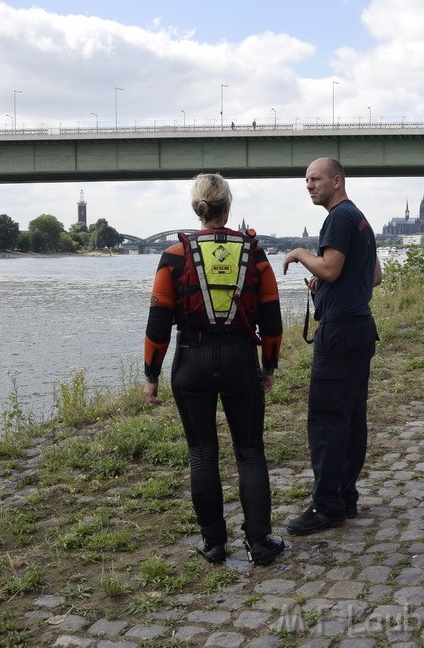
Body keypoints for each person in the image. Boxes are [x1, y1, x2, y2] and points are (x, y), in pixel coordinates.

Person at [143, 173, 286, 566]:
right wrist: (268, 365)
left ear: (197, 208)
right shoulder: (254, 253)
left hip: (192, 362)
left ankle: (213, 544)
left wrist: (151, 377)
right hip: (241, 359)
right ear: (228, 206)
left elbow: (157, 325)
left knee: (202, 454)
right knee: (250, 452)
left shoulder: (174, 254)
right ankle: (260, 543)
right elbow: (271, 320)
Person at [282, 158, 381, 536]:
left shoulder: (338, 218)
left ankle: (326, 506)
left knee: (326, 419)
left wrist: (299, 254)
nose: (308, 185)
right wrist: (325, 286)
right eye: (306, 180)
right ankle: (345, 496)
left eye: (315, 179)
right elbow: (373, 276)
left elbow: (332, 268)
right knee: (351, 417)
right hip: (360, 329)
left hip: (339, 334)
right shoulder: (360, 219)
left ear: (336, 181)